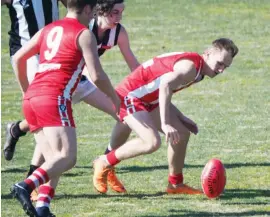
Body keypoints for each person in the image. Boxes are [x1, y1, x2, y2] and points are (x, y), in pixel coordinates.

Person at [4, 0, 138, 196]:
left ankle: (105, 163)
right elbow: (98, 76)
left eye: (121, 12)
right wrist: (26, 92)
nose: (119, 17)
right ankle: (31, 184)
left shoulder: (117, 31)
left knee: (123, 115)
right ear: (96, 10)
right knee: (58, 151)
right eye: (115, 12)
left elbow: (129, 66)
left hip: (75, 78)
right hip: (50, 74)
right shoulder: (82, 30)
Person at [92, 38, 239, 194]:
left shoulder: (200, 69)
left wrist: (180, 117)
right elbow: (165, 86)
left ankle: (175, 184)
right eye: (220, 63)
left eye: (226, 66)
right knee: (152, 142)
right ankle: (104, 162)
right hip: (130, 96)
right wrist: (165, 123)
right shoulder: (191, 67)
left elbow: (161, 91)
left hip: (148, 98)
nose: (221, 70)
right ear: (207, 53)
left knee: (181, 133)